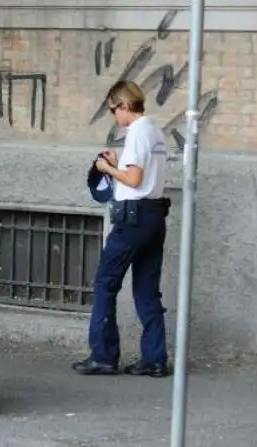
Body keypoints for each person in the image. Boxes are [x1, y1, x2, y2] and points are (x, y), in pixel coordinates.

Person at [72, 80, 172, 378]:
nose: (113, 115)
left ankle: (103, 355)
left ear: (125, 105)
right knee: (146, 291)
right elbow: (139, 174)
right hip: (154, 216)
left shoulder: (138, 131)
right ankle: (155, 358)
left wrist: (108, 170)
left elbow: (134, 179)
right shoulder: (155, 129)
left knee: (105, 284)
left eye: (113, 109)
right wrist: (119, 166)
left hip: (133, 219)